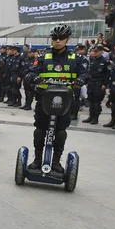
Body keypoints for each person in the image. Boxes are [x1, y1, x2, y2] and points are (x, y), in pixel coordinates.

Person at [27, 24, 88, 173]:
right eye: (55, 38)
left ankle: (55, 161)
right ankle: (38, 159)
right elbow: (29, 73)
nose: (58, 41)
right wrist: (35, 78)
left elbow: (86, 74)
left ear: (68, 39)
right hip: (44, 100)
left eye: (61, 38)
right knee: (40, 130)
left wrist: (80, 80)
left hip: (65, 102)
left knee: (60, 132)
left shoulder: (76, 59)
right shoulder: (43, 57)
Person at [82, 44, 110, 125]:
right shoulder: (92, 60)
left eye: (97, 51)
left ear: (101, 52)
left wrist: (105, 84)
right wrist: (87, 82)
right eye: (94, 51)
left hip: (99, 83)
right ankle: (91, 116)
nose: (95, 53)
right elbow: (89, 72)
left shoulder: (105, 61)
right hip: (91, 83)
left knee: (97, 102)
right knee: (91, 101)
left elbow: (107, 74)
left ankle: (95, 118)